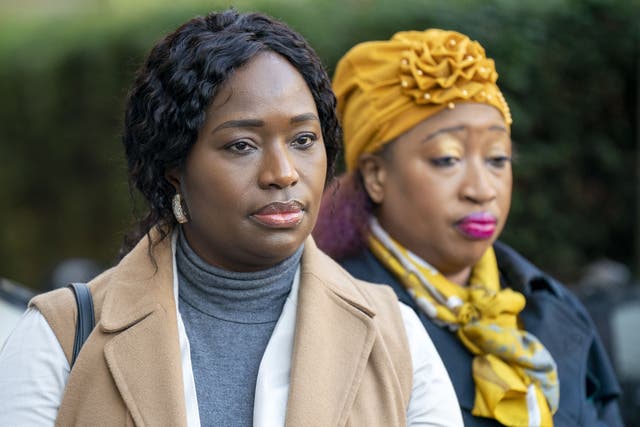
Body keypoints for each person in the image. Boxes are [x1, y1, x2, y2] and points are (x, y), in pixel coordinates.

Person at [0, 10, 462, 427]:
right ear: (173, 167)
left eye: (303, 140)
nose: (282, 173)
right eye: (242, 145)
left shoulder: (396, 337)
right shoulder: (61, 337)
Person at [314, 29, 624, 426]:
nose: (481, 190)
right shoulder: (337, 320)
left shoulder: (550, 303)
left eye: (497, 159)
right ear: (375, 176)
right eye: (447, 159)